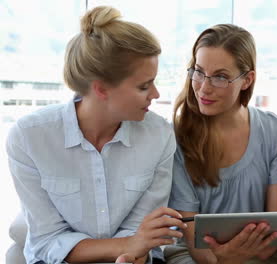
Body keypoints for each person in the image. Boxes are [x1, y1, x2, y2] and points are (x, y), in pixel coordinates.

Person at [6, 6, 186, 264]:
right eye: (144, 86)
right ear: (101, 89)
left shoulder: (159, 135)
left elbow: (143, 234)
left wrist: (132, 252)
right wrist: (130, 244)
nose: (156, 95)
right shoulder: (29, 138)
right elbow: (48, 240)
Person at [164, 24, 277, 264]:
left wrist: (239, 255)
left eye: (220, 77)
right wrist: (223, 259)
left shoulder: (276, 132)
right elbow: (194, 243)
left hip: (258, 256)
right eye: (199, 72)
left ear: (247, 80)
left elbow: (274, 236)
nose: (204, 87)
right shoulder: (177, 137)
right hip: (194, 258)